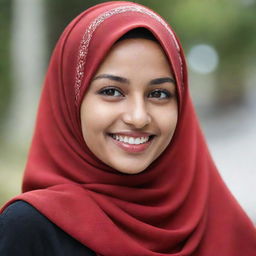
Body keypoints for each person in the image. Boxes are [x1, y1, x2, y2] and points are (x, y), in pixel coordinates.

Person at [0, 1, 256, 255]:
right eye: (111, 91)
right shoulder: (31, 230)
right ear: (71, 100)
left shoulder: (218, 222)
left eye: (158, 93)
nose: (138, 117)